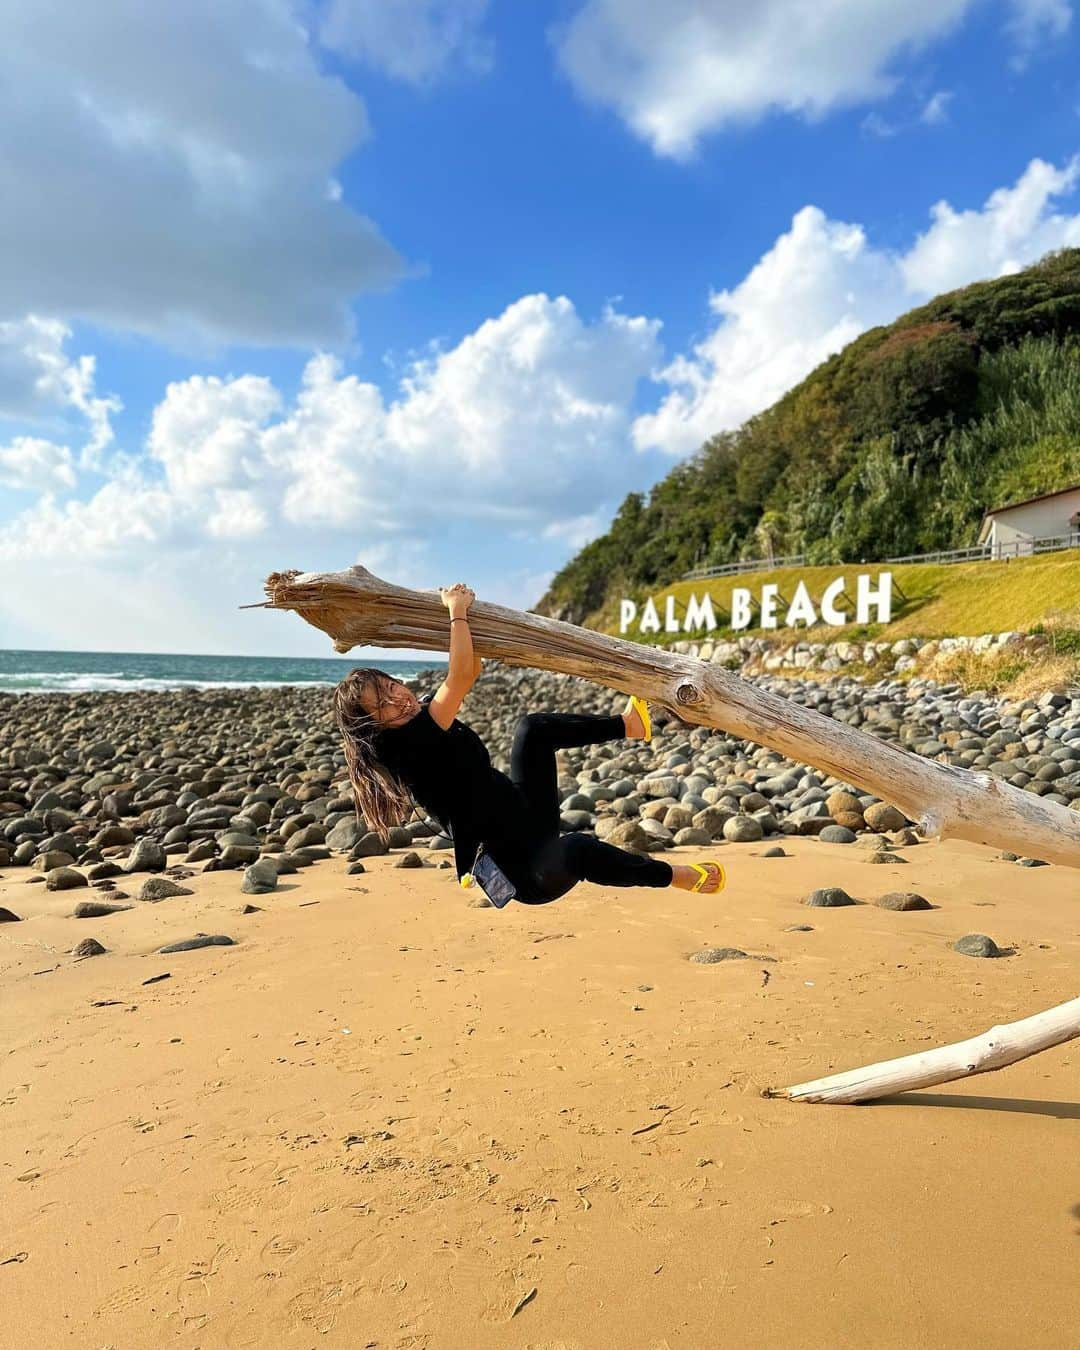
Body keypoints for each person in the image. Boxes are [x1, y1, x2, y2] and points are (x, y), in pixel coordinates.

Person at [332, 581, 725, 905]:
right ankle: (681, 877)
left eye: (389, 686)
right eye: (380, 705)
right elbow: (462, 675)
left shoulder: (418, 719)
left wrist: (473, 627)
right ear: (373, 726)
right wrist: (457, 611)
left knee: (532, 730)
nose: (395, 698)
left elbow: (469, 667)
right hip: (531, 873)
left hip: (529, 819)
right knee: (578, 850)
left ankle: (631, 724)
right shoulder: (406, 745)